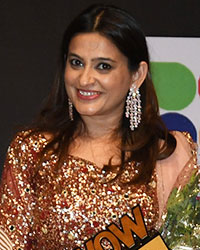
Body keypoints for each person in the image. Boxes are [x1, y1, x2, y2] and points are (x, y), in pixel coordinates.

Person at [0, 4, 199, 250]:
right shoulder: (32, 151)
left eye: (103, 66)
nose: (85, 79)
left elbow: (185, 241)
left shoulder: (168, 154)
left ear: (136, 74)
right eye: (76, 63)